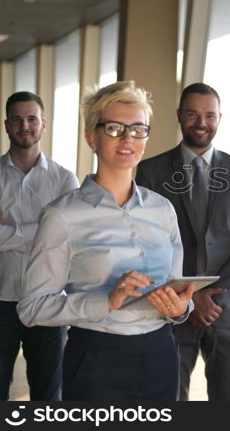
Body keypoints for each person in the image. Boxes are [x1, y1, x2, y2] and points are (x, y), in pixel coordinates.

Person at [17, 81, 193, 400]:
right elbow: (31, 308)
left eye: (138, 129)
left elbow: (176, 286)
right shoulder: (61, 216)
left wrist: (181, 308)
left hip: (161, 353)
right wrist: (105, 301)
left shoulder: (163, 210)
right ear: (91, 138)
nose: (128, 139)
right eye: (114, 128)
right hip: (96, 358)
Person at [135, 83, 230, 401]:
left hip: (226, 311)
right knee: (169, 399)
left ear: (219, 118)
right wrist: (190, 297)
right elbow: (147, 243)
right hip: (172, 309)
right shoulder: (150, 171)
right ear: (179, 116)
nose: (201, 122)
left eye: (209, 115)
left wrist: (213, 297)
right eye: (192, 114)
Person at [0, 92, 79, 401]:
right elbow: (54, 236)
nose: (25, 126)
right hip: (0, 300)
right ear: (6, 125)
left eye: (32, 119)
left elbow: (69, 236)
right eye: (17, 120)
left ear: (43, 124)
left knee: (48, 397)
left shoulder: (64, 180)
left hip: (48, 302)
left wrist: (8, 231)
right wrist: (46, 229)